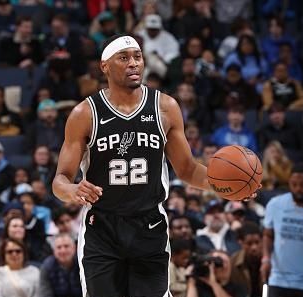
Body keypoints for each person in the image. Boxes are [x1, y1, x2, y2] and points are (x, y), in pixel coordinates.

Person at [52, 34, 224, 297]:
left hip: (149, 226)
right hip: (103, 227)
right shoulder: (85, 114)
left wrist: (225, 186)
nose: (133, 63)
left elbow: (188, 170)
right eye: (124, 58)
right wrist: (72, 190)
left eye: (137, 56)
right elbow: (59, 180)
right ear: (105, 66)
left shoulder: (165, 107)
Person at [261, 163, 303, 296]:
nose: (298, 189)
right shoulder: (275, 204)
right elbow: (268, 235)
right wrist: (266, 258)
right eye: (294, 184)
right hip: (279, 279)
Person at [230, 222, 263, 297]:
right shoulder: (233, 262)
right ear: (240, 242)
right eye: (249, 243)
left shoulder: (270, 261)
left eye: (257, 242)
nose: (254, 247)